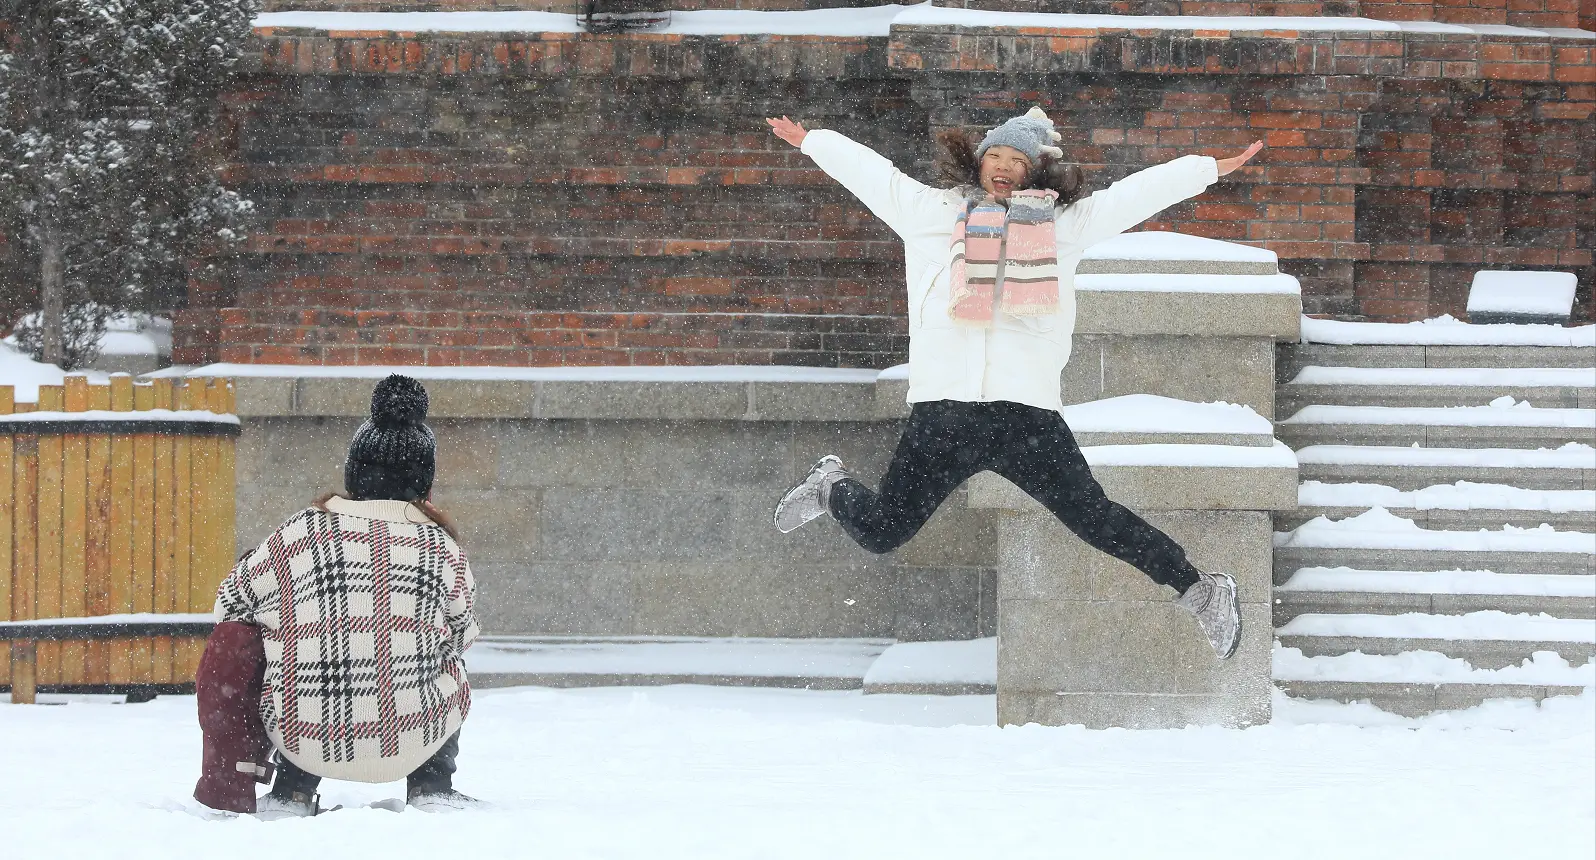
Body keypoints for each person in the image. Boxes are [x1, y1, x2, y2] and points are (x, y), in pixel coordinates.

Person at [767, 108, 1264, 659]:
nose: (1003, 167)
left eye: (1017, 161)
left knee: (1095, 519)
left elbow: (1133, 196)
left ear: (1035, 172)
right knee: (883, 531)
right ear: (979, 162)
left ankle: (1200, 590)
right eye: (996, 156)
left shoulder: (1060, 227)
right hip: (945, 412)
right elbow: (871, 173)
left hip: (1023, 416)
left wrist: (1206, 168)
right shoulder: (930, 213)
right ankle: (829, 487)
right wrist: (813, 140)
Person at [195, 374, 481, 816]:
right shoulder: (442, 548)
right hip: (414, 736)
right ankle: (432, 785)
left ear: (353, 473)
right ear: (425, 483)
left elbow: (228, 609)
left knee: (276, 643)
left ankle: (292, 789)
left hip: (302, 735)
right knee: (449, 655)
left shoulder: (298, 532)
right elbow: (461, 634)